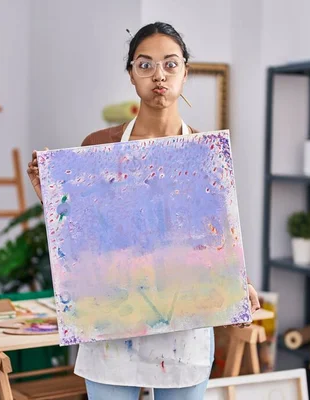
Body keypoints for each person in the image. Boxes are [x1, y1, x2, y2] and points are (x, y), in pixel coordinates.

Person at [27, 21, 260, 400]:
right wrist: (51, 198)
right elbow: (85, 241)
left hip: (183, 330)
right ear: (131, 75)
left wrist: (236, 283)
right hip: (112, 324)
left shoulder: (204, 156)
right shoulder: (98, 147)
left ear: (186, 72)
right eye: (145, 64)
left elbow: (214, 243)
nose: (159, 76)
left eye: (170, 64)